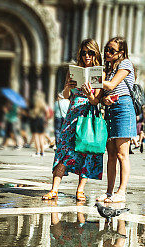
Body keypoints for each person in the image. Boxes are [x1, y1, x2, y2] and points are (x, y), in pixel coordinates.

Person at [42, 38, 103, 202]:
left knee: (86, 150)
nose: (87, 57)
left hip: (88, 114)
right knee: (63, 150)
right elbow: (66, 96)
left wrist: (90, 93)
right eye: (84, 53)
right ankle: (54, 189)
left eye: (90, 53)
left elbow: (95, 101)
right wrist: (68, 86)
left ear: (95, 53)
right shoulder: (73, 71)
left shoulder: (99, 73)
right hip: (72, 115)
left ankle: (80, 190)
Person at [99, 36, 136, 203]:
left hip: (123, 108)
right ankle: (109, 192)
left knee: (122, 154)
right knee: (111, 154)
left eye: (111, 50)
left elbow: (112, 85)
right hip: (111, 109)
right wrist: (104, 100)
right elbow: (105, 93)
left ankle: (121, 192)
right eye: (106, 49)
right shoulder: (108, 68)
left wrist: (93, 79)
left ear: (121, 53)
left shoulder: (125, 64)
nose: (107, 52)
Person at [29, 92, 49, 156]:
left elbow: (30, 113)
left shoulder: (33, 104)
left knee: (36, 138)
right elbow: (47, 113)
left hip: (34, 121)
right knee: (41, 137)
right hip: (41, 121)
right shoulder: (43, 105)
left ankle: (37, 151)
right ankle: (42, 152)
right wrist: (45, 120)